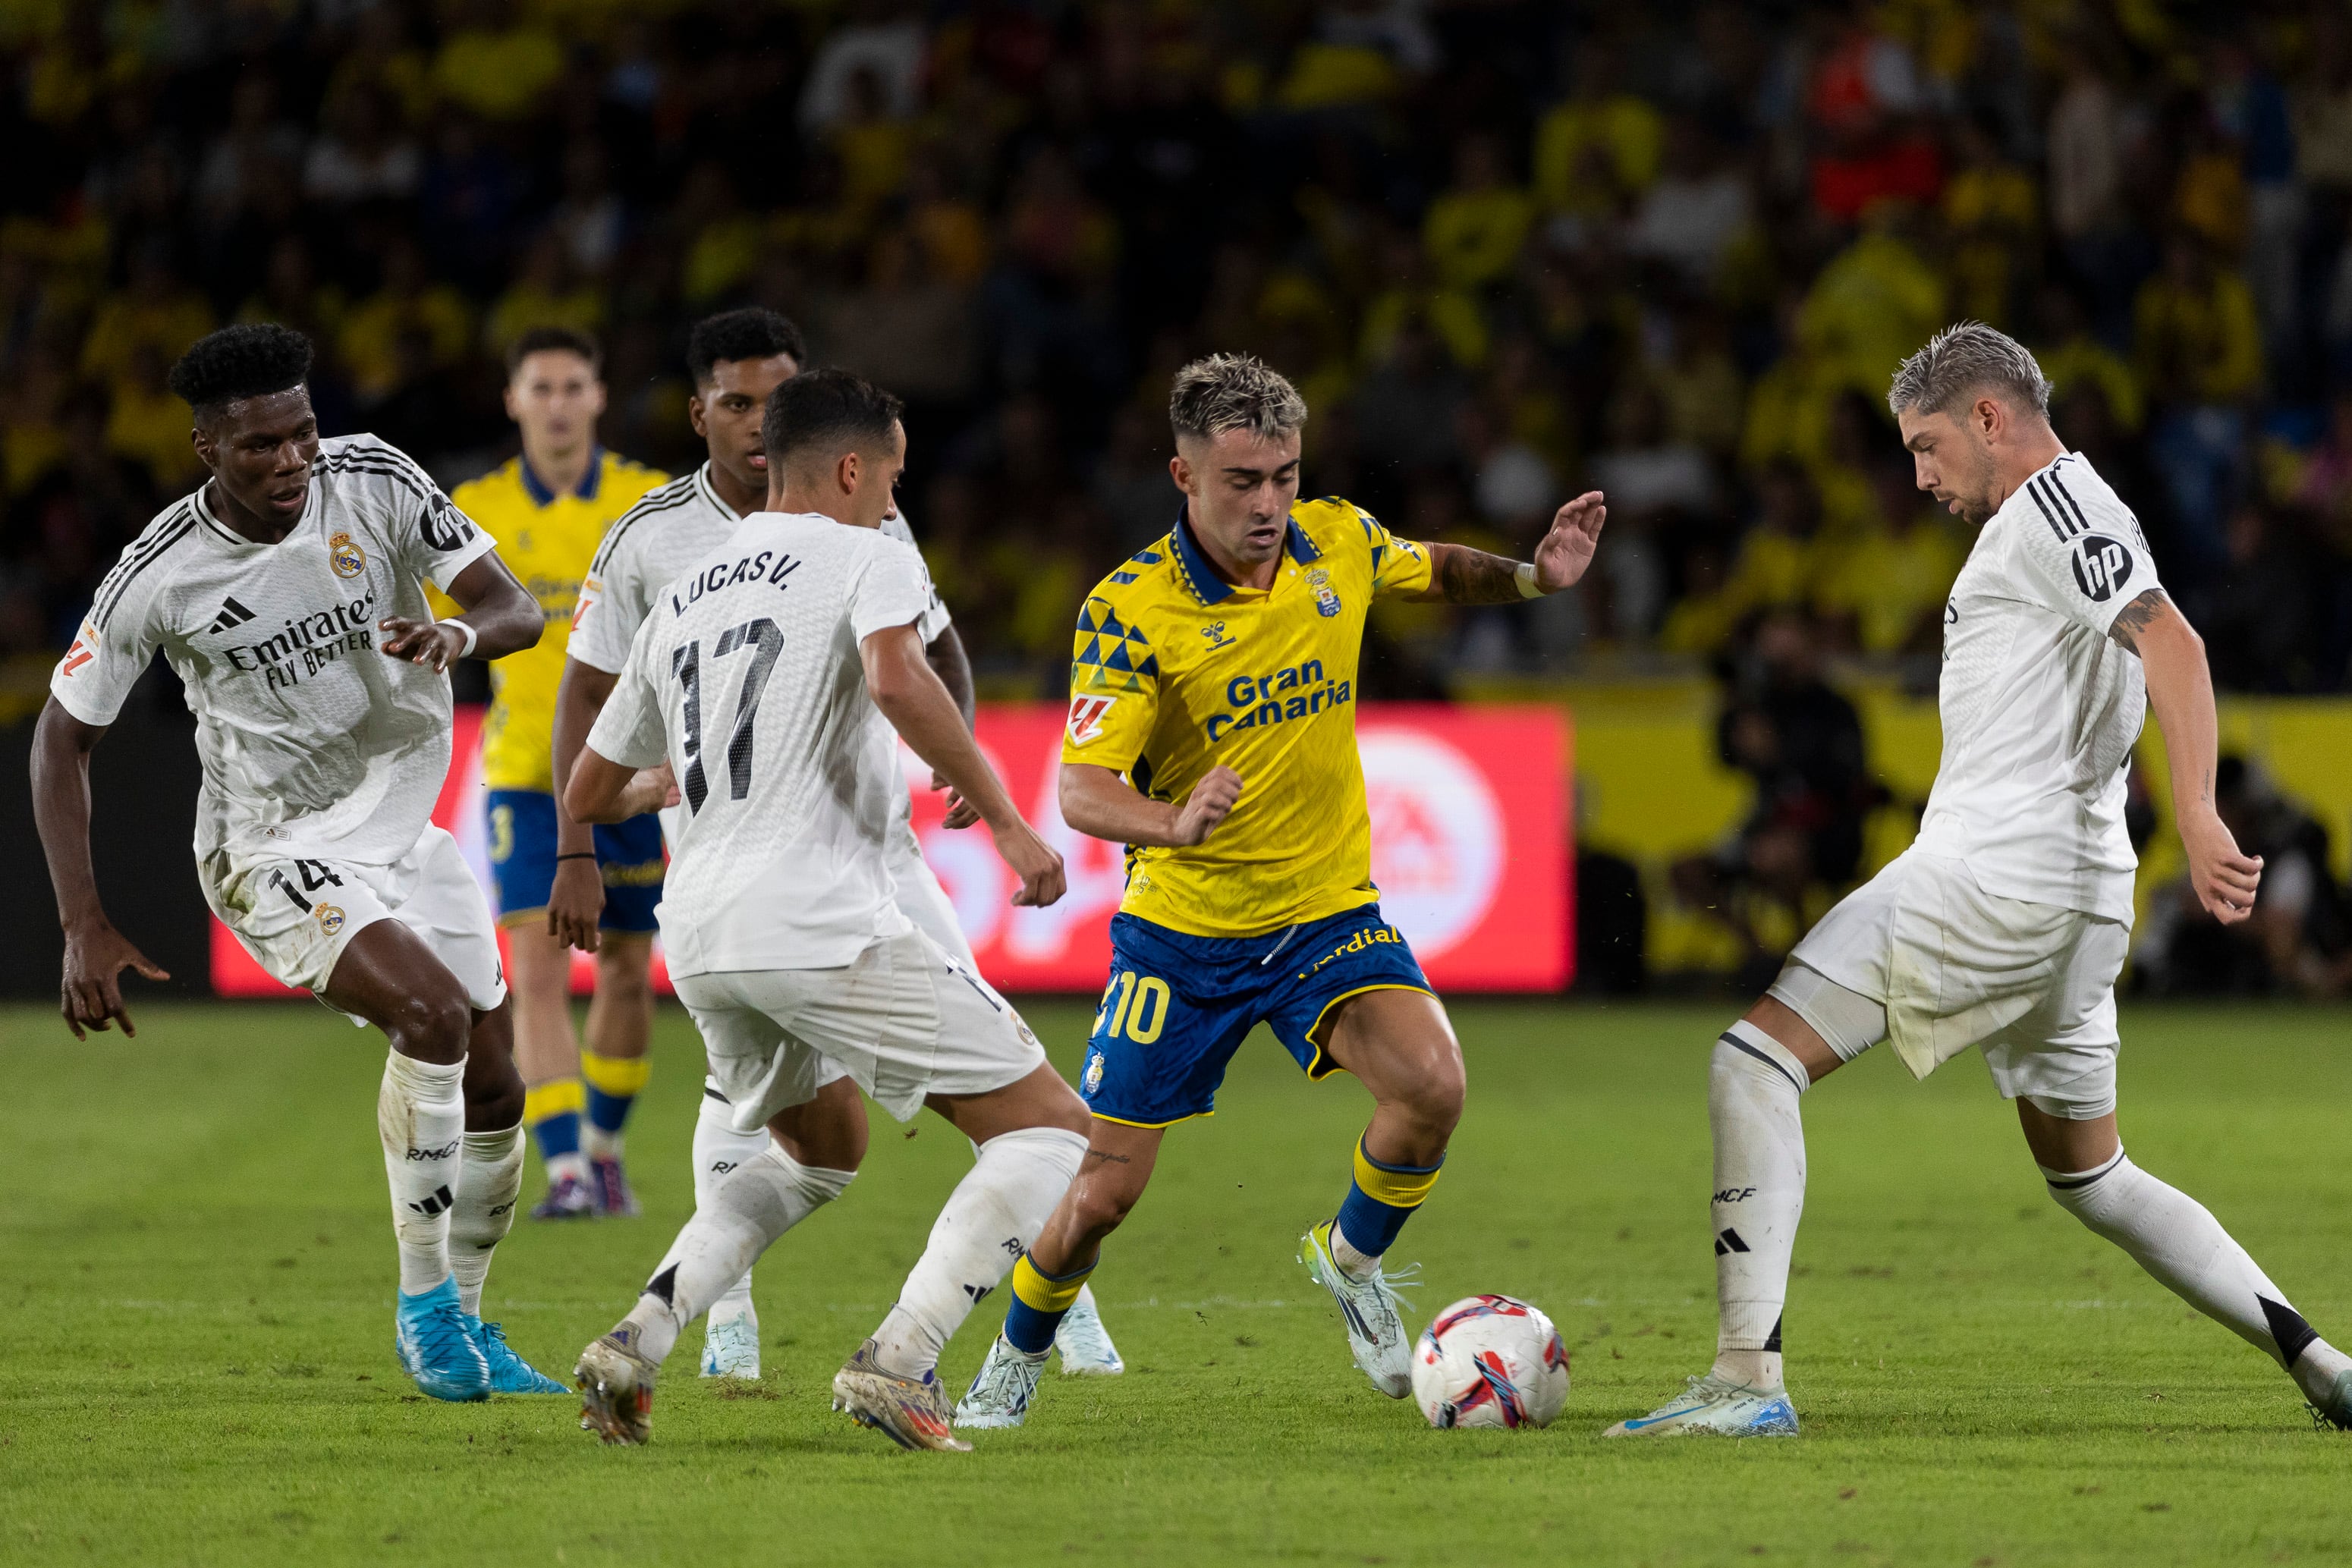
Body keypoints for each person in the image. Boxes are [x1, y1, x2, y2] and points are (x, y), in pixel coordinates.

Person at [1605, 322, 2352, 1438]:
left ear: (1991, 417)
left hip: (1998, 874)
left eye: (1926, 444)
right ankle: (2326, 1362)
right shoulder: (2065, 519)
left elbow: (2178, 648)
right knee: (2093, 1176)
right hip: (2075, 892)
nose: (1918, 473)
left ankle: (1743, 1381)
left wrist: (2197, 812)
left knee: (1752, 1062)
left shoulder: (2060, 510)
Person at [954, 354, 1609, 1429]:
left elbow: (1433, 568)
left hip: (1325, 913)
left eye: (1285, 476)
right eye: (1242, 480)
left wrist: (1535, 575)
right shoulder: (1130, 609)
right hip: (1184, 936)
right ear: (1183, 473)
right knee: (1104, 1195)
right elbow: (1080, 787)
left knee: (1434, 1085)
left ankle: (1348, 1258)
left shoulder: (1336, 539)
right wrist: (1171, 821)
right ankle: (1012, 1363)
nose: (1269, 504)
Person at [553, 306, 1121, 1381]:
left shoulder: (684, 590)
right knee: (1054, 1132)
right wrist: (1004, 816)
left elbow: (587, 783)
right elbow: (904, 676)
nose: (896, 498)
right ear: (854, 470)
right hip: (816, 915)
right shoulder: (866, 551)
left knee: (821, 1150)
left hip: (705, 932)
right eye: (895, 479)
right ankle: (899, 1359)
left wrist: (670, 781)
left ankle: (641, 1336)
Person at [31, 323, 570, 1403]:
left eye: (302, 433)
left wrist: (459, 640)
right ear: (205, 449)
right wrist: (82, 920)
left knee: (502, 1088)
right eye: (261, 446)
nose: (291, 461)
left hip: (403, 830)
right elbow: (60, 735)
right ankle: (424, 1314)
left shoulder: (374, 478)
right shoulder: (159, 574)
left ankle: (467, 1314)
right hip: (268, 844)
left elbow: (510, 605)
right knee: (432, 1017)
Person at [447, 326, 667, 1221]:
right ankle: (569, 1170)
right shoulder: (474, 506)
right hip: (524, 776)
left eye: (573, 385)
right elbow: (422, 626)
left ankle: (606, 1151)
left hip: (629, 774)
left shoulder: (646, 502)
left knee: (623, 967)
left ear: (599, 396)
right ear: (513, 401)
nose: (558, 403)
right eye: (540, 388)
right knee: (534, 973)